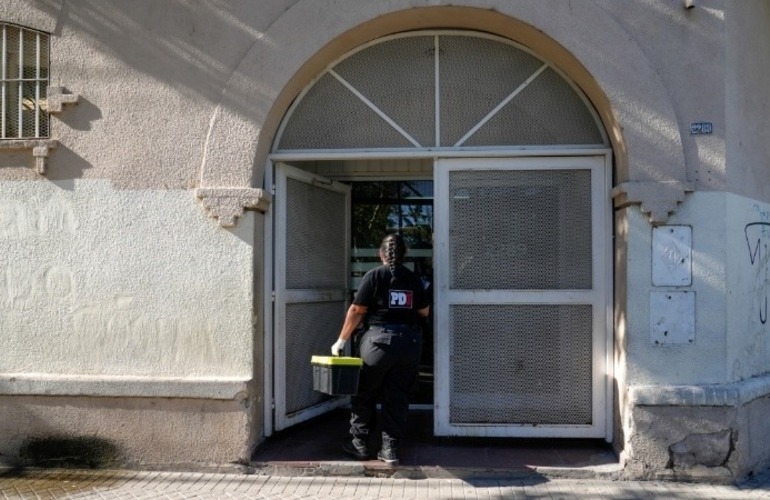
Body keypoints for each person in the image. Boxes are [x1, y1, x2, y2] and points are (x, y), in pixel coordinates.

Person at [331, 233, 430, 466]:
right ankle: (390, 449)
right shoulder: (413, 279)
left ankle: (360, 444)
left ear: (380, 254)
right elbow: (424, 312)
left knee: (365, 392)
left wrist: (341, 341)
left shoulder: (374, 275)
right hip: (408, 345)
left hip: (377, 344)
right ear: (404, 254)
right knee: (397, 396)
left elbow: (357, 310)